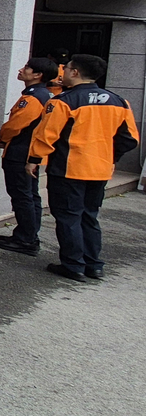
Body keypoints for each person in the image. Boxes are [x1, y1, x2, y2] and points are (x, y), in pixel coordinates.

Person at [28, 54, 140, 282]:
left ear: (75, 72)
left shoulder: (63, 101)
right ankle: (94, 265)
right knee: (89, 216)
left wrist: (34, 159)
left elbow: (47, 135)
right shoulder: (119, 101)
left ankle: (73, 265)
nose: (63, 73)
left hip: (68, 169)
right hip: (100, 169)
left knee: (69, 216)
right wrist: (110, 155)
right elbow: (130, 139)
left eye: (66, 69)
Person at [0, 57, 58, 255]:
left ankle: (26, 239)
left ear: (38, 75)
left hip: (20, 153)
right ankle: (28, 235)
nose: (22, 70)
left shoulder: (33, 98)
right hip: (31, 154)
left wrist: (2, 137)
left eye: (27, 68)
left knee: (22, 197)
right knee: (30, 196)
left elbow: (15, 125)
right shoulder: (46, 95)